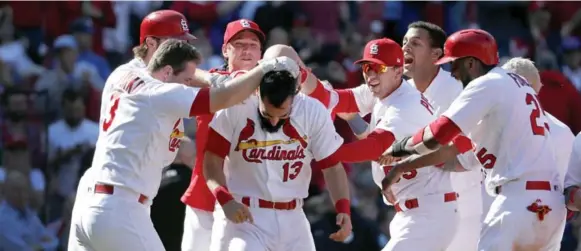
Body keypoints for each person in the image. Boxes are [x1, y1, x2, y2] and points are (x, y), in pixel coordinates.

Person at [67, 39, 300, 251]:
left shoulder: (124, 73)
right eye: (188, 80)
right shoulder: (160, 93)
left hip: (91, 200)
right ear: (167, 71)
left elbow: (180, 147)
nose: (191, 85)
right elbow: (224, 98)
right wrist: (265, 68)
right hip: (120, 208)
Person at [382, 29, 567, 251]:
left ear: (471, 63)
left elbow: (438, 134)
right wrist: (405, 166)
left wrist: (399, 148)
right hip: (551, 207)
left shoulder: (486, 84)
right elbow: (455, 153)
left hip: (517, 202)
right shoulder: (514, 85)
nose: (453, 73)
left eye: (454, 64)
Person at [306, 38, 464, 250]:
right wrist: (300, 77)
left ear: (398, 71)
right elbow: (334, 99)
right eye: (366, 67)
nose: (370, 74)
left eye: (378, 68)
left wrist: (324, 150)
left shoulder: (406, 104)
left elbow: (375, 146)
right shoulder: (383, 90)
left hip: (429, 212)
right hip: (411, 212)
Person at [203, 67, 351, 251]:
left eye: (282, 114)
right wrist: (224, 199)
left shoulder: (312, 111)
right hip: (246, 215)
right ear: (257, 91)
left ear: (295, 95)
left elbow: (333, 167)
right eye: (267, 113)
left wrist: (343, 208)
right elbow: (211, 160)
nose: (274, 121)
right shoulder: (238, 106)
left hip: (294, 217)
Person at [180, 19, 266, 251]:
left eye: (253, 44)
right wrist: (213, 79)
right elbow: (180, 71)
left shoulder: (274, 88)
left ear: (261, 53)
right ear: (225, 50)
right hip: (204, 197)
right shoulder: (213, 80)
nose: (247, 50)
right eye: (239, 44)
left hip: (253, 204)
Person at [402, 21, 482, 251]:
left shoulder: (459, 91)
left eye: (415, 43)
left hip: (462, 205)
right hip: (416, 209)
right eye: (404, 42)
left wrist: (419, 159)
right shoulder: (400, 93)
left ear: (436, 54)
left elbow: (471, 147)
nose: (406, 48)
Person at [0, 170, 59, 251]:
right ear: (5, 192)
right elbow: (21, 249)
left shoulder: (30, 214)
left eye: (24, 189)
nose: (22, 194)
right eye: (16, 190)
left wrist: (38, 246)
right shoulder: (2, 219)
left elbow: (53, 242)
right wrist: (42, 245)